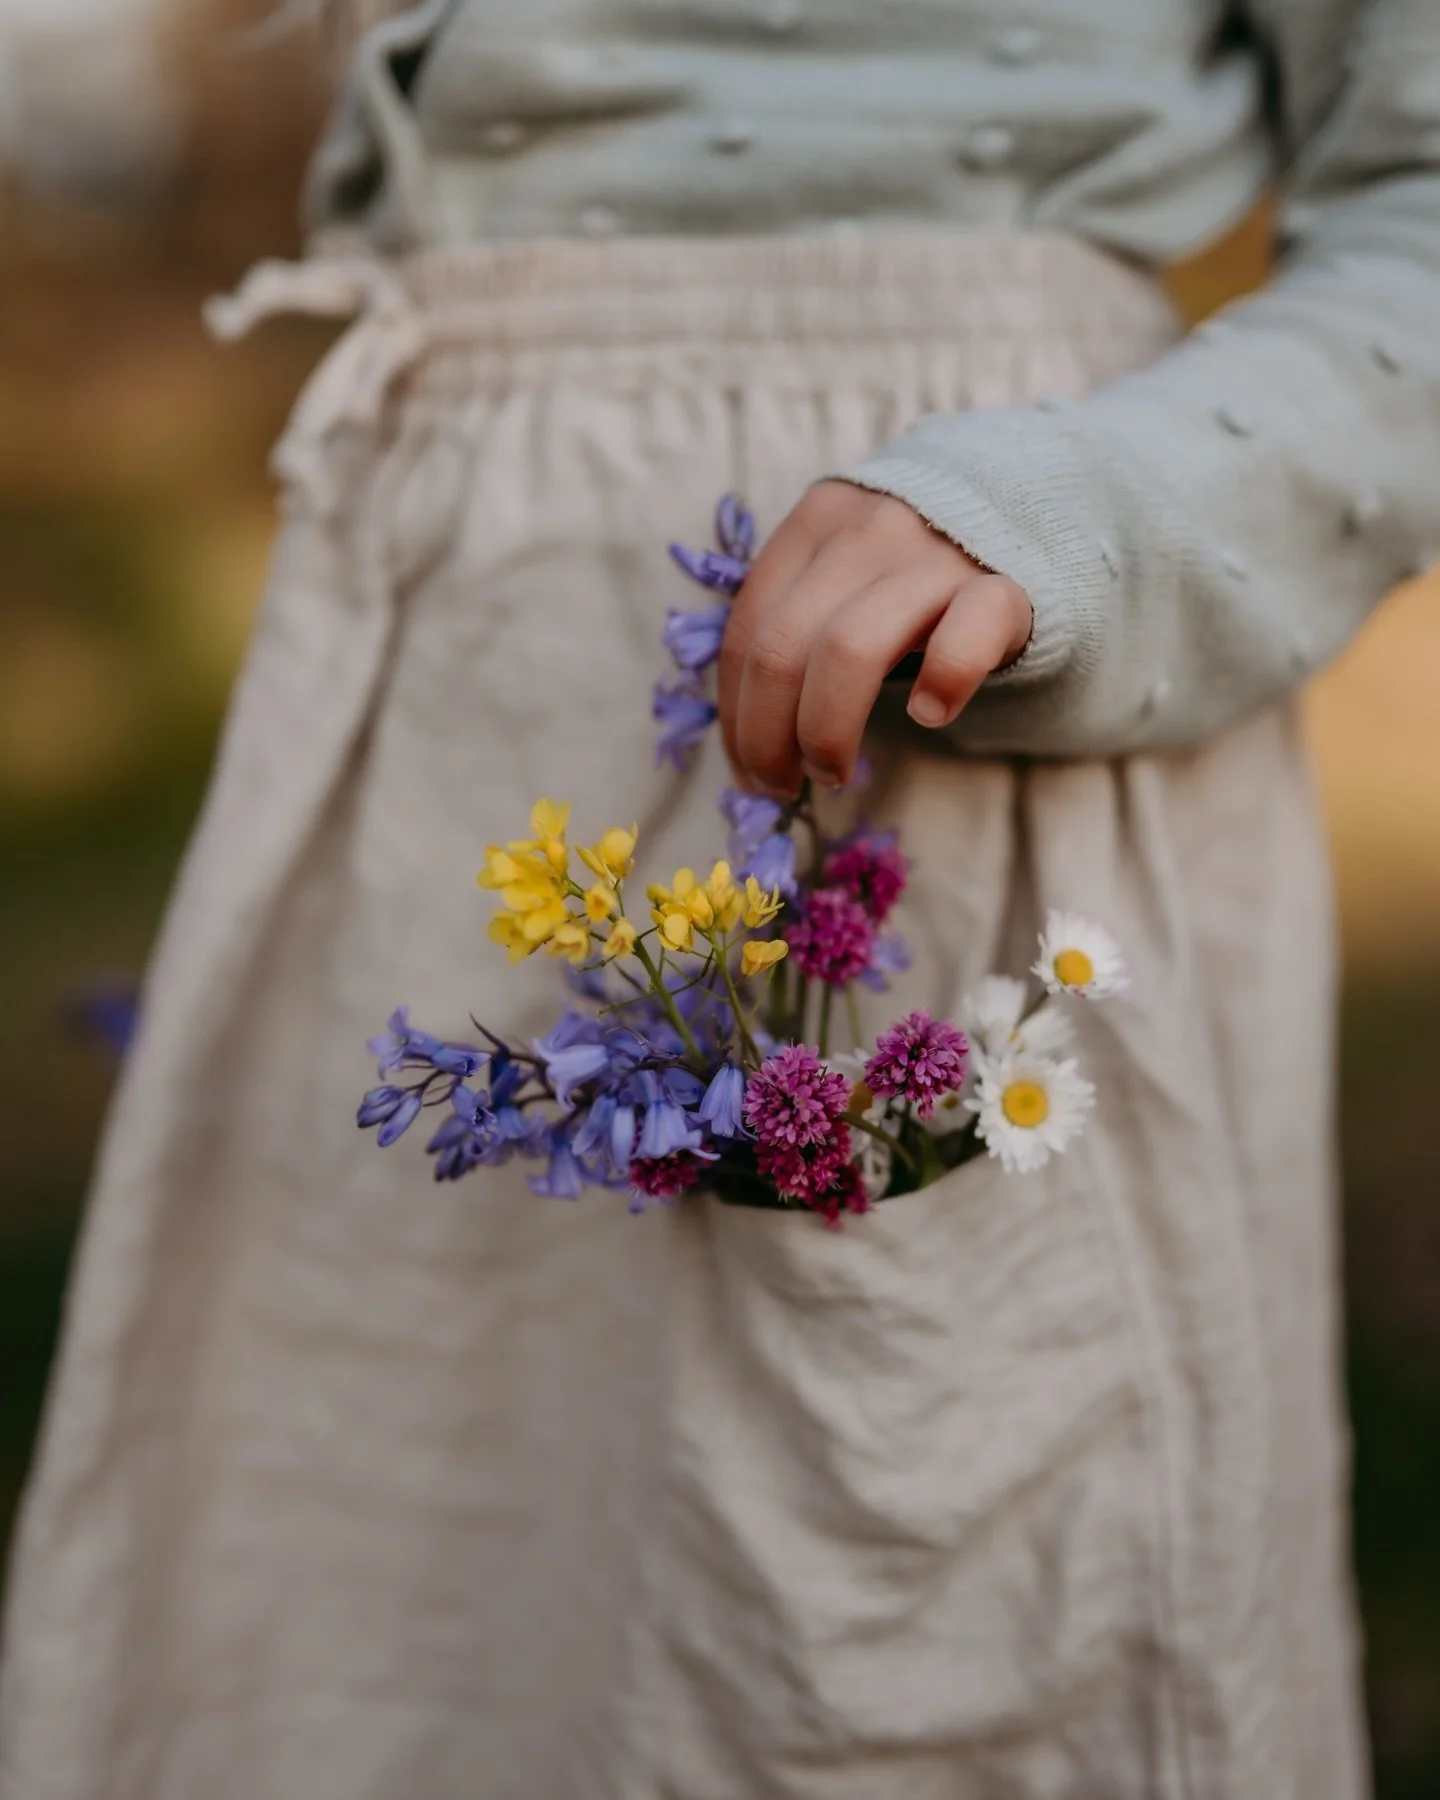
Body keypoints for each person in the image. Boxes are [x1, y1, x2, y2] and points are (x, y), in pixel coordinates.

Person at [3, 3, 1436, 1795]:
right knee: (400, 1633)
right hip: (453, 689)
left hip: (945, 703)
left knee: (891, 1657)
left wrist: (1079, 515)